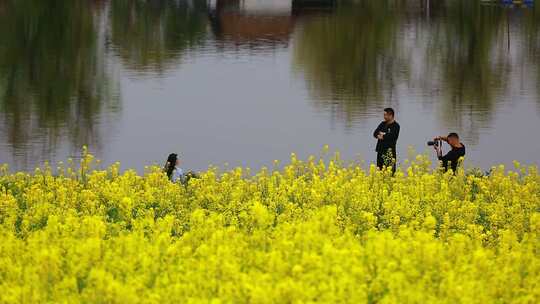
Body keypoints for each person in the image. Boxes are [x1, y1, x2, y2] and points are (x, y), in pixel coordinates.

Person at [373, 108, 400, 172]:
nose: (384, 117)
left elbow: (392, 137)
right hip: (380, 151)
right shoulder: (383, 124)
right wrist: (383, 135)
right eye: (384, 115)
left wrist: (383, 135)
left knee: (390, 173)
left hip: (390, 153)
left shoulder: (396, 126)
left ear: (391, 115)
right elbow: (375, 133)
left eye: (386, 115)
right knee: (379, 171)